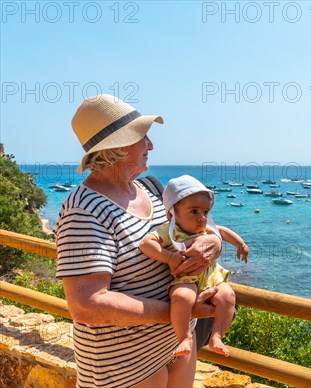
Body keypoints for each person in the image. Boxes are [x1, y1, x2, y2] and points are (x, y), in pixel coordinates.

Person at [55, 94, 221, 387]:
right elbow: (87, 305)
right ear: (117, 146)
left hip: (175, 349)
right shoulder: (83, 210)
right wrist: (177, 313)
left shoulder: (150, 187)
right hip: (124, 369)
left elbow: (202, 223)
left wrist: (214, 243)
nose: (151, 145)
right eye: (143, 136)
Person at [140, 175, 249, 358]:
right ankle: (184, 337)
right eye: (194, 211)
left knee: (228, 296)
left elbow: (222, 231)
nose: (202, 218)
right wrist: (169, 257)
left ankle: (217, 336)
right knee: (182, 297)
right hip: (185, 278)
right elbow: (146, 243)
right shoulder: (170, 231)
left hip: (212, 278)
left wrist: (240, 244)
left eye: (205, 212)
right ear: (172, 215)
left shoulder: (205, 230)